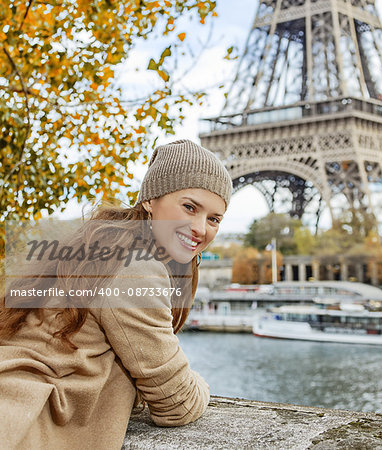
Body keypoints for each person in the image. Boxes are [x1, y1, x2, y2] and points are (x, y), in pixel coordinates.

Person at [0, 139, 233, 449]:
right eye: (189, 207)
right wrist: (201, 384)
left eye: (214, 219)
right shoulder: (139, 268)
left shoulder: (103, 245)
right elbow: (178, 403)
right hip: (24, 426)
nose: (200, 229)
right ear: (151, 199)